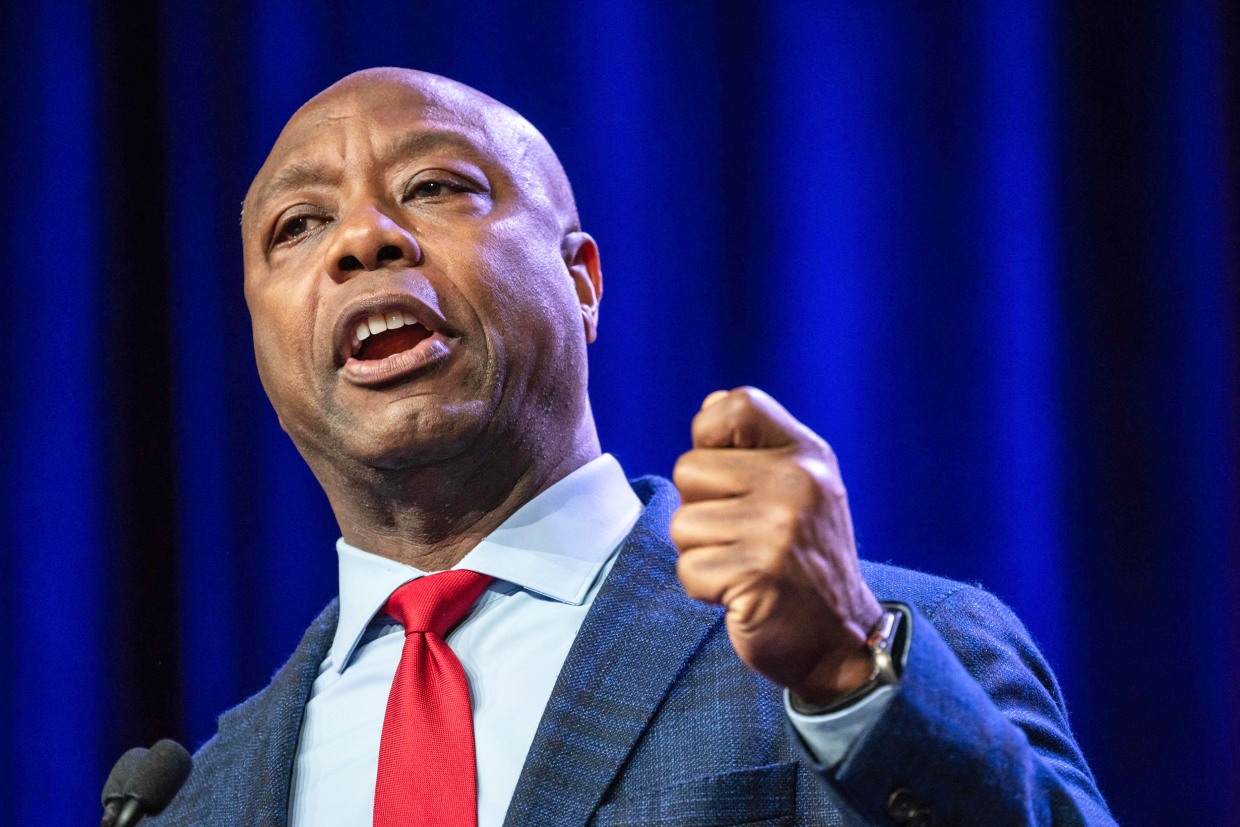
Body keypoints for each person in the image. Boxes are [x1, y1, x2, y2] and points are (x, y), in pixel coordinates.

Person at [147, 67, 1115, 826]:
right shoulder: (198, 795)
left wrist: (848, 681)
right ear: (261, 336)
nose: (361, 237)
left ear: (582, 280)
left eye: (434, 184)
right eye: (300, 225)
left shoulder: (895, 645)